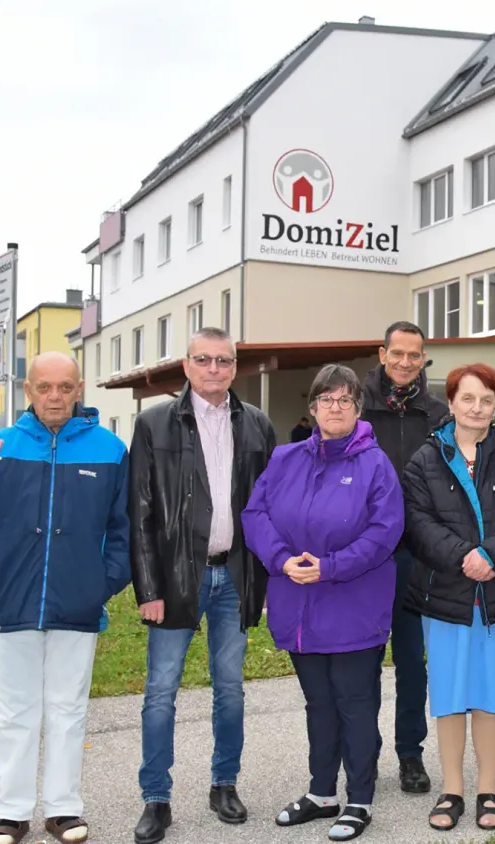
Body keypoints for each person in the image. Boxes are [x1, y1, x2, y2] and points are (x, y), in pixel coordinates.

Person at [0, 352, 131, 844]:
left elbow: (124, 530)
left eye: (64, 387)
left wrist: (101, 583)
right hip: (11, 600)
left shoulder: (109, 450)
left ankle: (64, 809)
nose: (54, 397)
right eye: (44, 387)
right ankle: (12, 812)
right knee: (17, 710)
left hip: (77, 603)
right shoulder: (0, 445)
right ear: (28, 391)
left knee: (69, 709)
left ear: (79, 388)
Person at [127, 327, 279, 843]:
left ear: (235, 368)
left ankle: (224, 784)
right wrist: (148, 588)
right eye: (203, 360)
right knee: (161, 692)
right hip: (175, 578)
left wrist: (266, 581)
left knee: (230, 690)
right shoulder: (153, 424)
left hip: (235, 575)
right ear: (186, 366)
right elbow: (141, 512)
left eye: (224, 361)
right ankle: (155, 798)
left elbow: (269, 508)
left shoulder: (258, 425)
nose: (214, 369)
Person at [242, 364, 405, 842]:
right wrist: (282, 559)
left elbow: (385, 532)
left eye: (346, 400)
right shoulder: (285, 458)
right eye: (327, 399)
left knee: (355, 704)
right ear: (312, 408)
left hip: (353, 603)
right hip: (299, 605)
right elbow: (255, 513)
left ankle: (359, 800)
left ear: (359, 409)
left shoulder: (376, 464)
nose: (336, 407)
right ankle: (321, 793)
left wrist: (329, 566)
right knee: (318, 703)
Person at [399, 363, 495, 833]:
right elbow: (417, 522)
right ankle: (451, 791)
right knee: (448, 694)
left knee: (490, 695)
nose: (478, 408)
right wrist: (466, 556)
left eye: (487, 399)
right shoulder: (425, 459)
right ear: (452, 403)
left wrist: (492, 555)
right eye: (468, 398)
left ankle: (488, 789)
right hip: (445, 595)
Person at [359, 320, 449, 795]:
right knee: (365, 659)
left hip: (418, 557)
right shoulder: (357, 406)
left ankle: (410, 754)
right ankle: (363, 751)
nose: (406, 363)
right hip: (366, 558)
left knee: (413, 661)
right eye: (398, 353)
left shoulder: (437, 413)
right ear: (382, 353)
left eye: (415, 356)